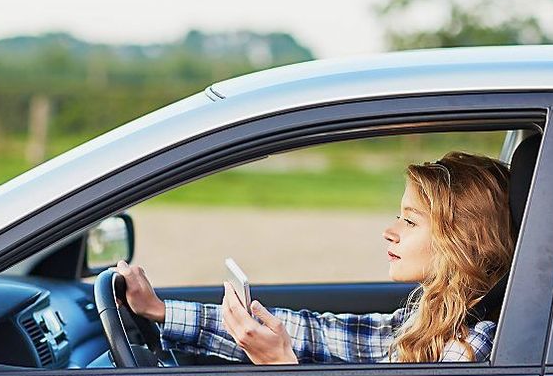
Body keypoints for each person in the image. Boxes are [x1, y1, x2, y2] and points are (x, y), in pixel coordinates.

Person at [115, 151, 514, 364]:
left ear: (462, 241)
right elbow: (324, 335)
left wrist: (280, 366)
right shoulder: (432, 319)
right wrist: (160, 310)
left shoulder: (469, 345)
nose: (389, 230)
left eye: (410, 221)